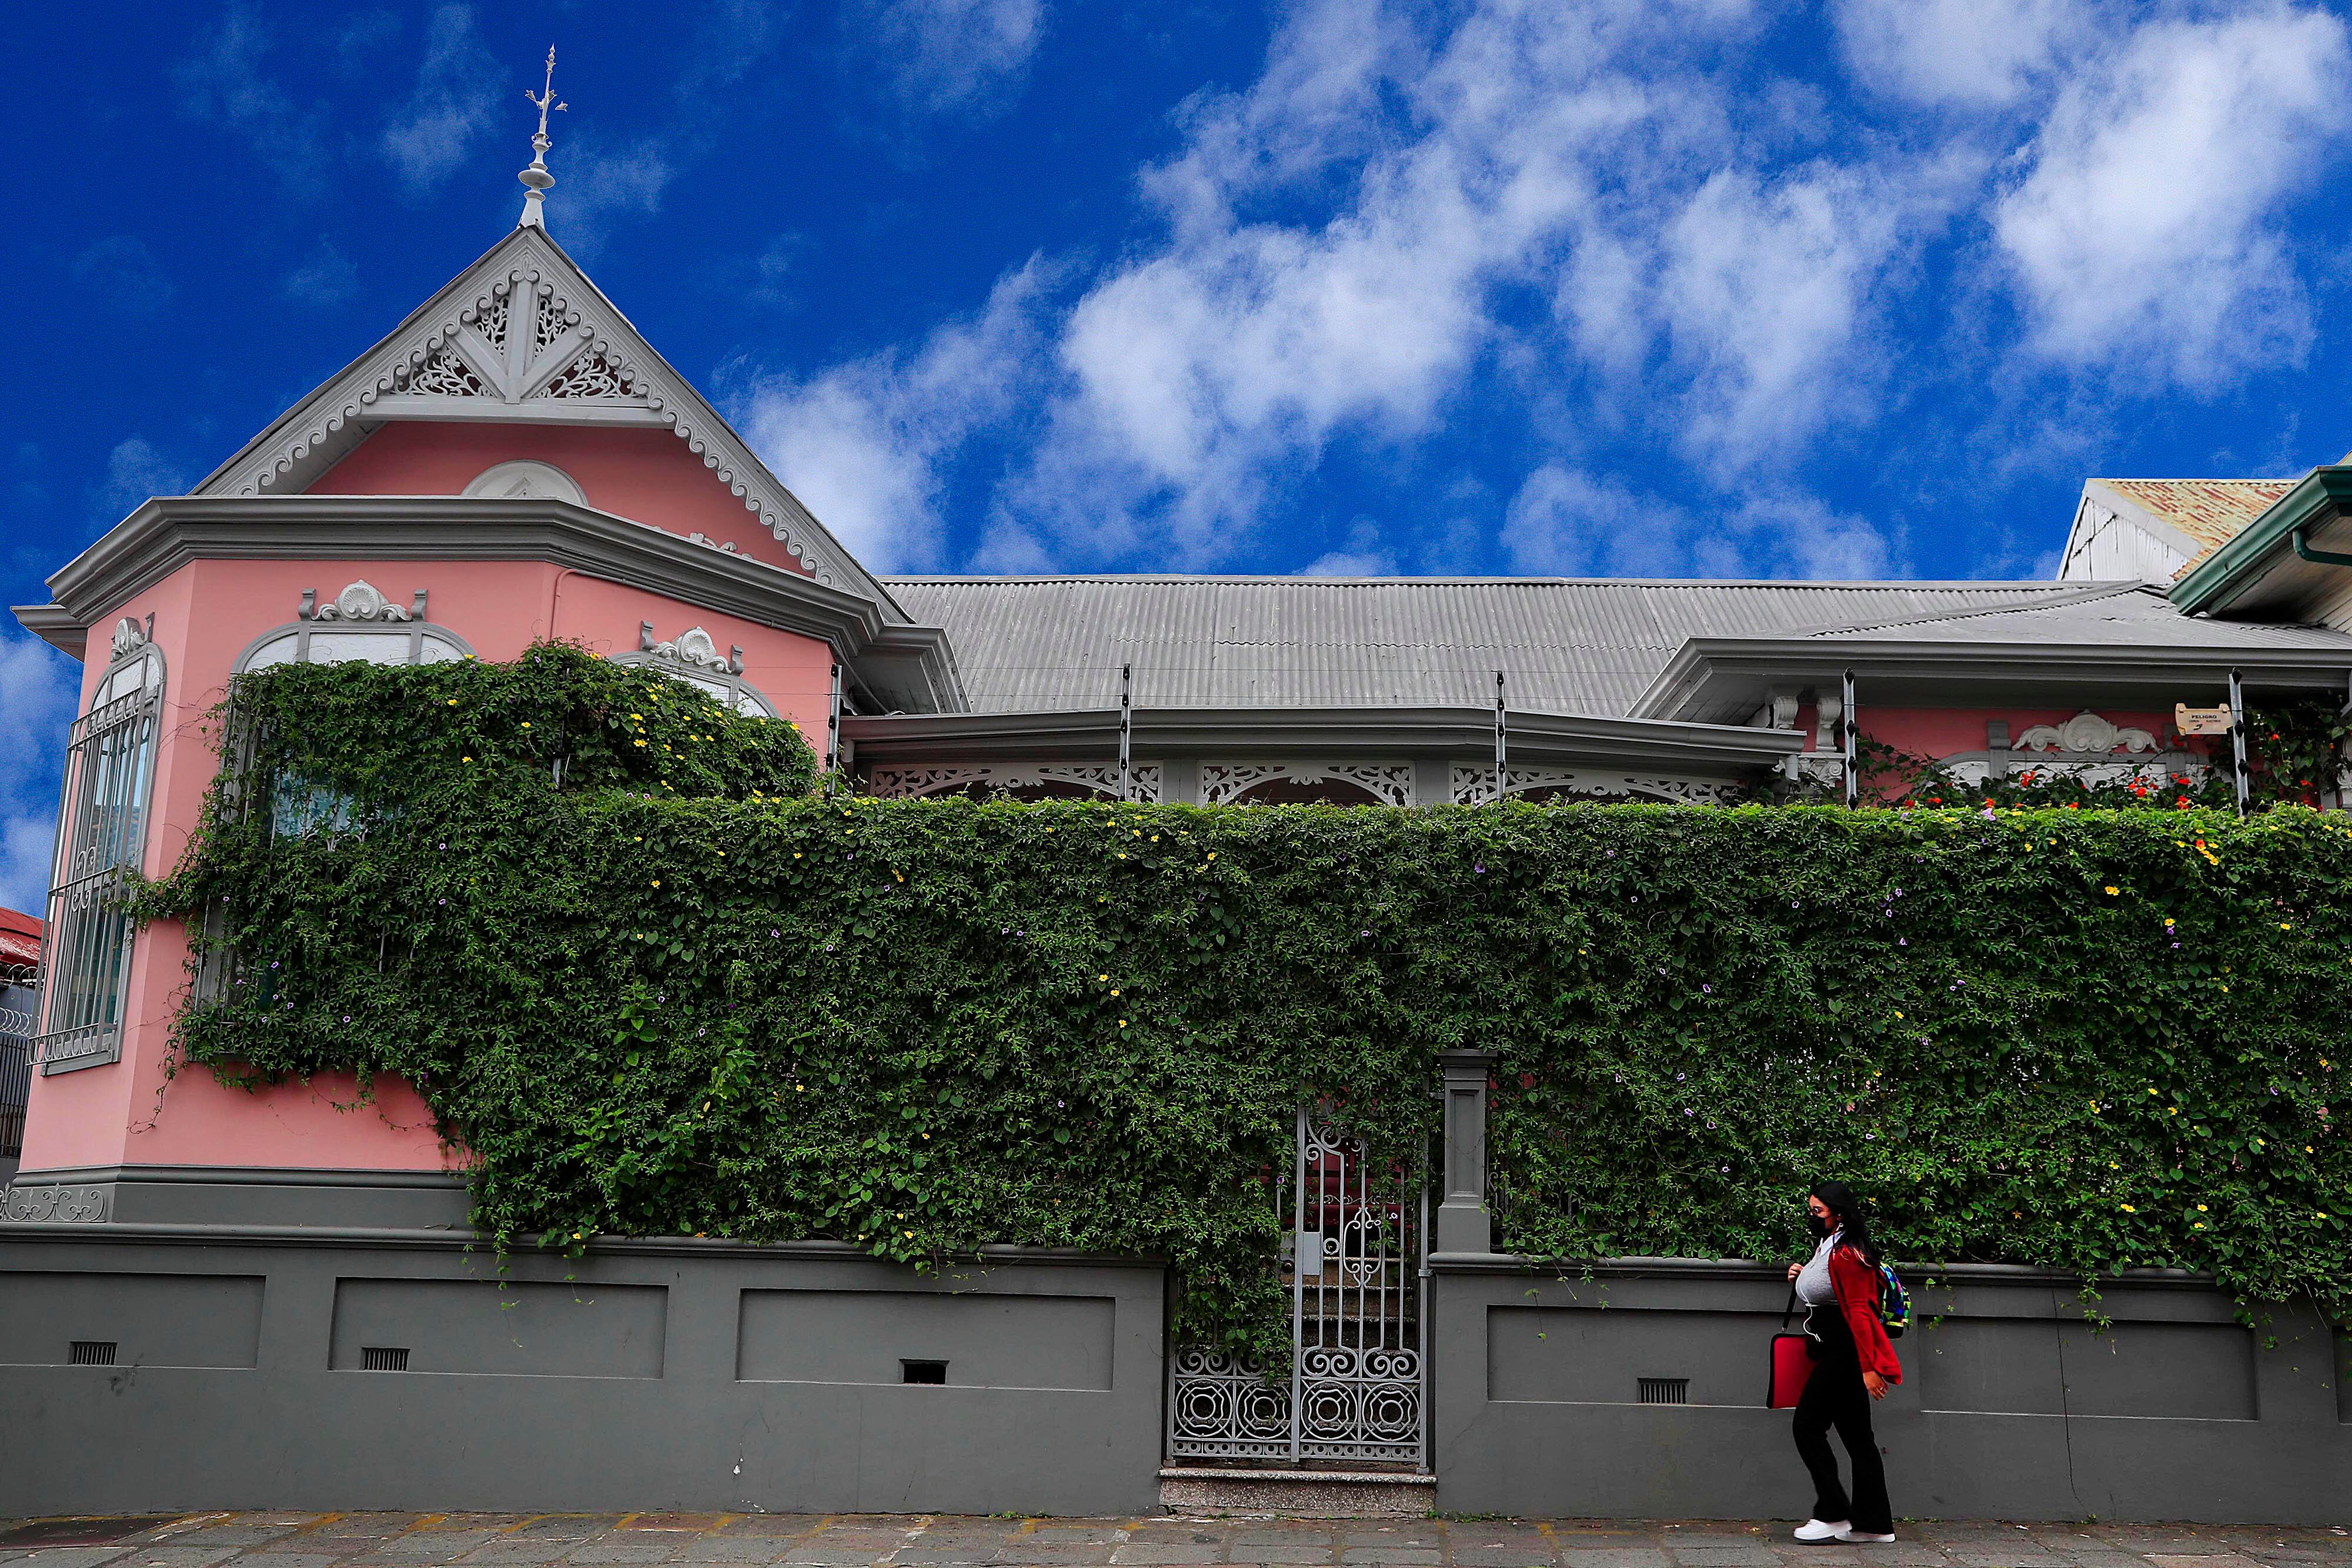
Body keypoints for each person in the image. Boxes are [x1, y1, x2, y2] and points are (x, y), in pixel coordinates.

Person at [1782, 1181, 1902, 1543]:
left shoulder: (1848, 1253)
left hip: (1845, 1351)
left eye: (1818, 1210)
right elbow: (1828, 1289)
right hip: (1835, 1348)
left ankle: (1833, 1514)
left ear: (1839, 1212)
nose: (1812, 1216)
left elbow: (1860, 1312)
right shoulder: (1829, 1244)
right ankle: (1875, 1525)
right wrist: (1802, 1276)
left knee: (1807, 1426)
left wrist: (1868, 1368)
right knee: (1858, 1438)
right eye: (1811, 1209)